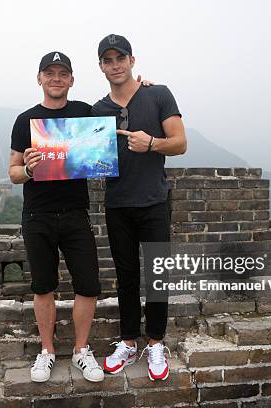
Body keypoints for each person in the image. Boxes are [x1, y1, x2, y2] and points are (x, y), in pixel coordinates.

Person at [92, 34, 187, 381]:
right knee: (126, 277)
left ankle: (156, 342)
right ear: (101, 66)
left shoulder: (158, 94)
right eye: (108, 60)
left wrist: (151, 144)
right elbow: (80, 151)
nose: (115, 65)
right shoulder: (98, 111)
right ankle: (128, 340)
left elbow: (180, 143)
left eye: (120, 58)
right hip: (118, 204)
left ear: (133, 60)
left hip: (154, 201)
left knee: (158, 276)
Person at [8, 51, 104, 383]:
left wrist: (142, 87)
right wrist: (30, 170)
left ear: (72, 80)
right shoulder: (25, 120)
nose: (56, 78)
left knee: (88, 284)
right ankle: (47, 351)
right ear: (39, 79)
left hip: (76, 213)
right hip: (38, 214)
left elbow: (115, 115)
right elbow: (13, 173)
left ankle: (80, 350)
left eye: (63, 73)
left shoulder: (84, 113)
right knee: (43, 286)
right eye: (50, 73)